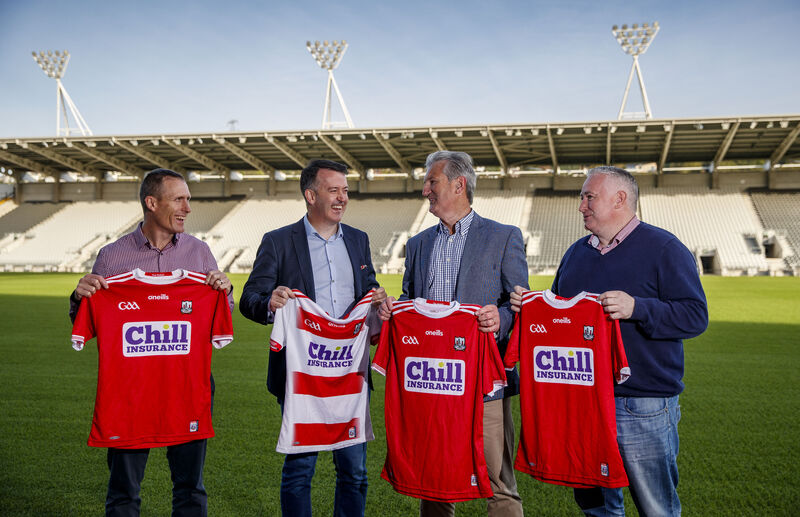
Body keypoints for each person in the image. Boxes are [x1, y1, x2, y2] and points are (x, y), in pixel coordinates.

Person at [512, 166, 708, 516]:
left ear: (620, 199)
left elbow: (695, 316)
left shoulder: (664, 248)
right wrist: (532, 306)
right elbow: (564, 319)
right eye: (582, 198)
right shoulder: (575, 253)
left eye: (589, 197)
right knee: (598, 508)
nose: (581, 206)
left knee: (656, 507)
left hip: (641, 402)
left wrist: (638, 308)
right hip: (582, 401)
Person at [68, 168, 234, 517]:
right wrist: (79, 297)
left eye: (188, 199)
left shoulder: (200, 253)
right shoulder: (112, 256)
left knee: (190, 488)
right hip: (130, 391)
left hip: (187, 386)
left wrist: (225, 291)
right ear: (152, 202)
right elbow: (89, 317)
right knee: (123, 491)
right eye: (179, 199)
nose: (188, 208)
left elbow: (219, 315)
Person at [378, 150, 528, 517]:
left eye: (432, 182)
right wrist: (394, 310)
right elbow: (411, 300)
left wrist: (500, 319)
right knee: (434, 480)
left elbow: (520, 303)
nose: (425, 190)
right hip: (431, 382)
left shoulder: (504, 236)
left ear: (459, 185)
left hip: (484, 383)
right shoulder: (417, 244)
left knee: (498, 484)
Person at [239, 158, 386, 517]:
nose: (342, 198)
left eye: (345, 191)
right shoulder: (278, 241)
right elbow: (249, 298)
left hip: (349, 374)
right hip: (301, 375)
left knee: (354, 471)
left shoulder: (359, 240)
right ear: (310, 195)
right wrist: (270, 303)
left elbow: (368, 288)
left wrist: (377, 299)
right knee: (300, 471)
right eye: (333, 190)